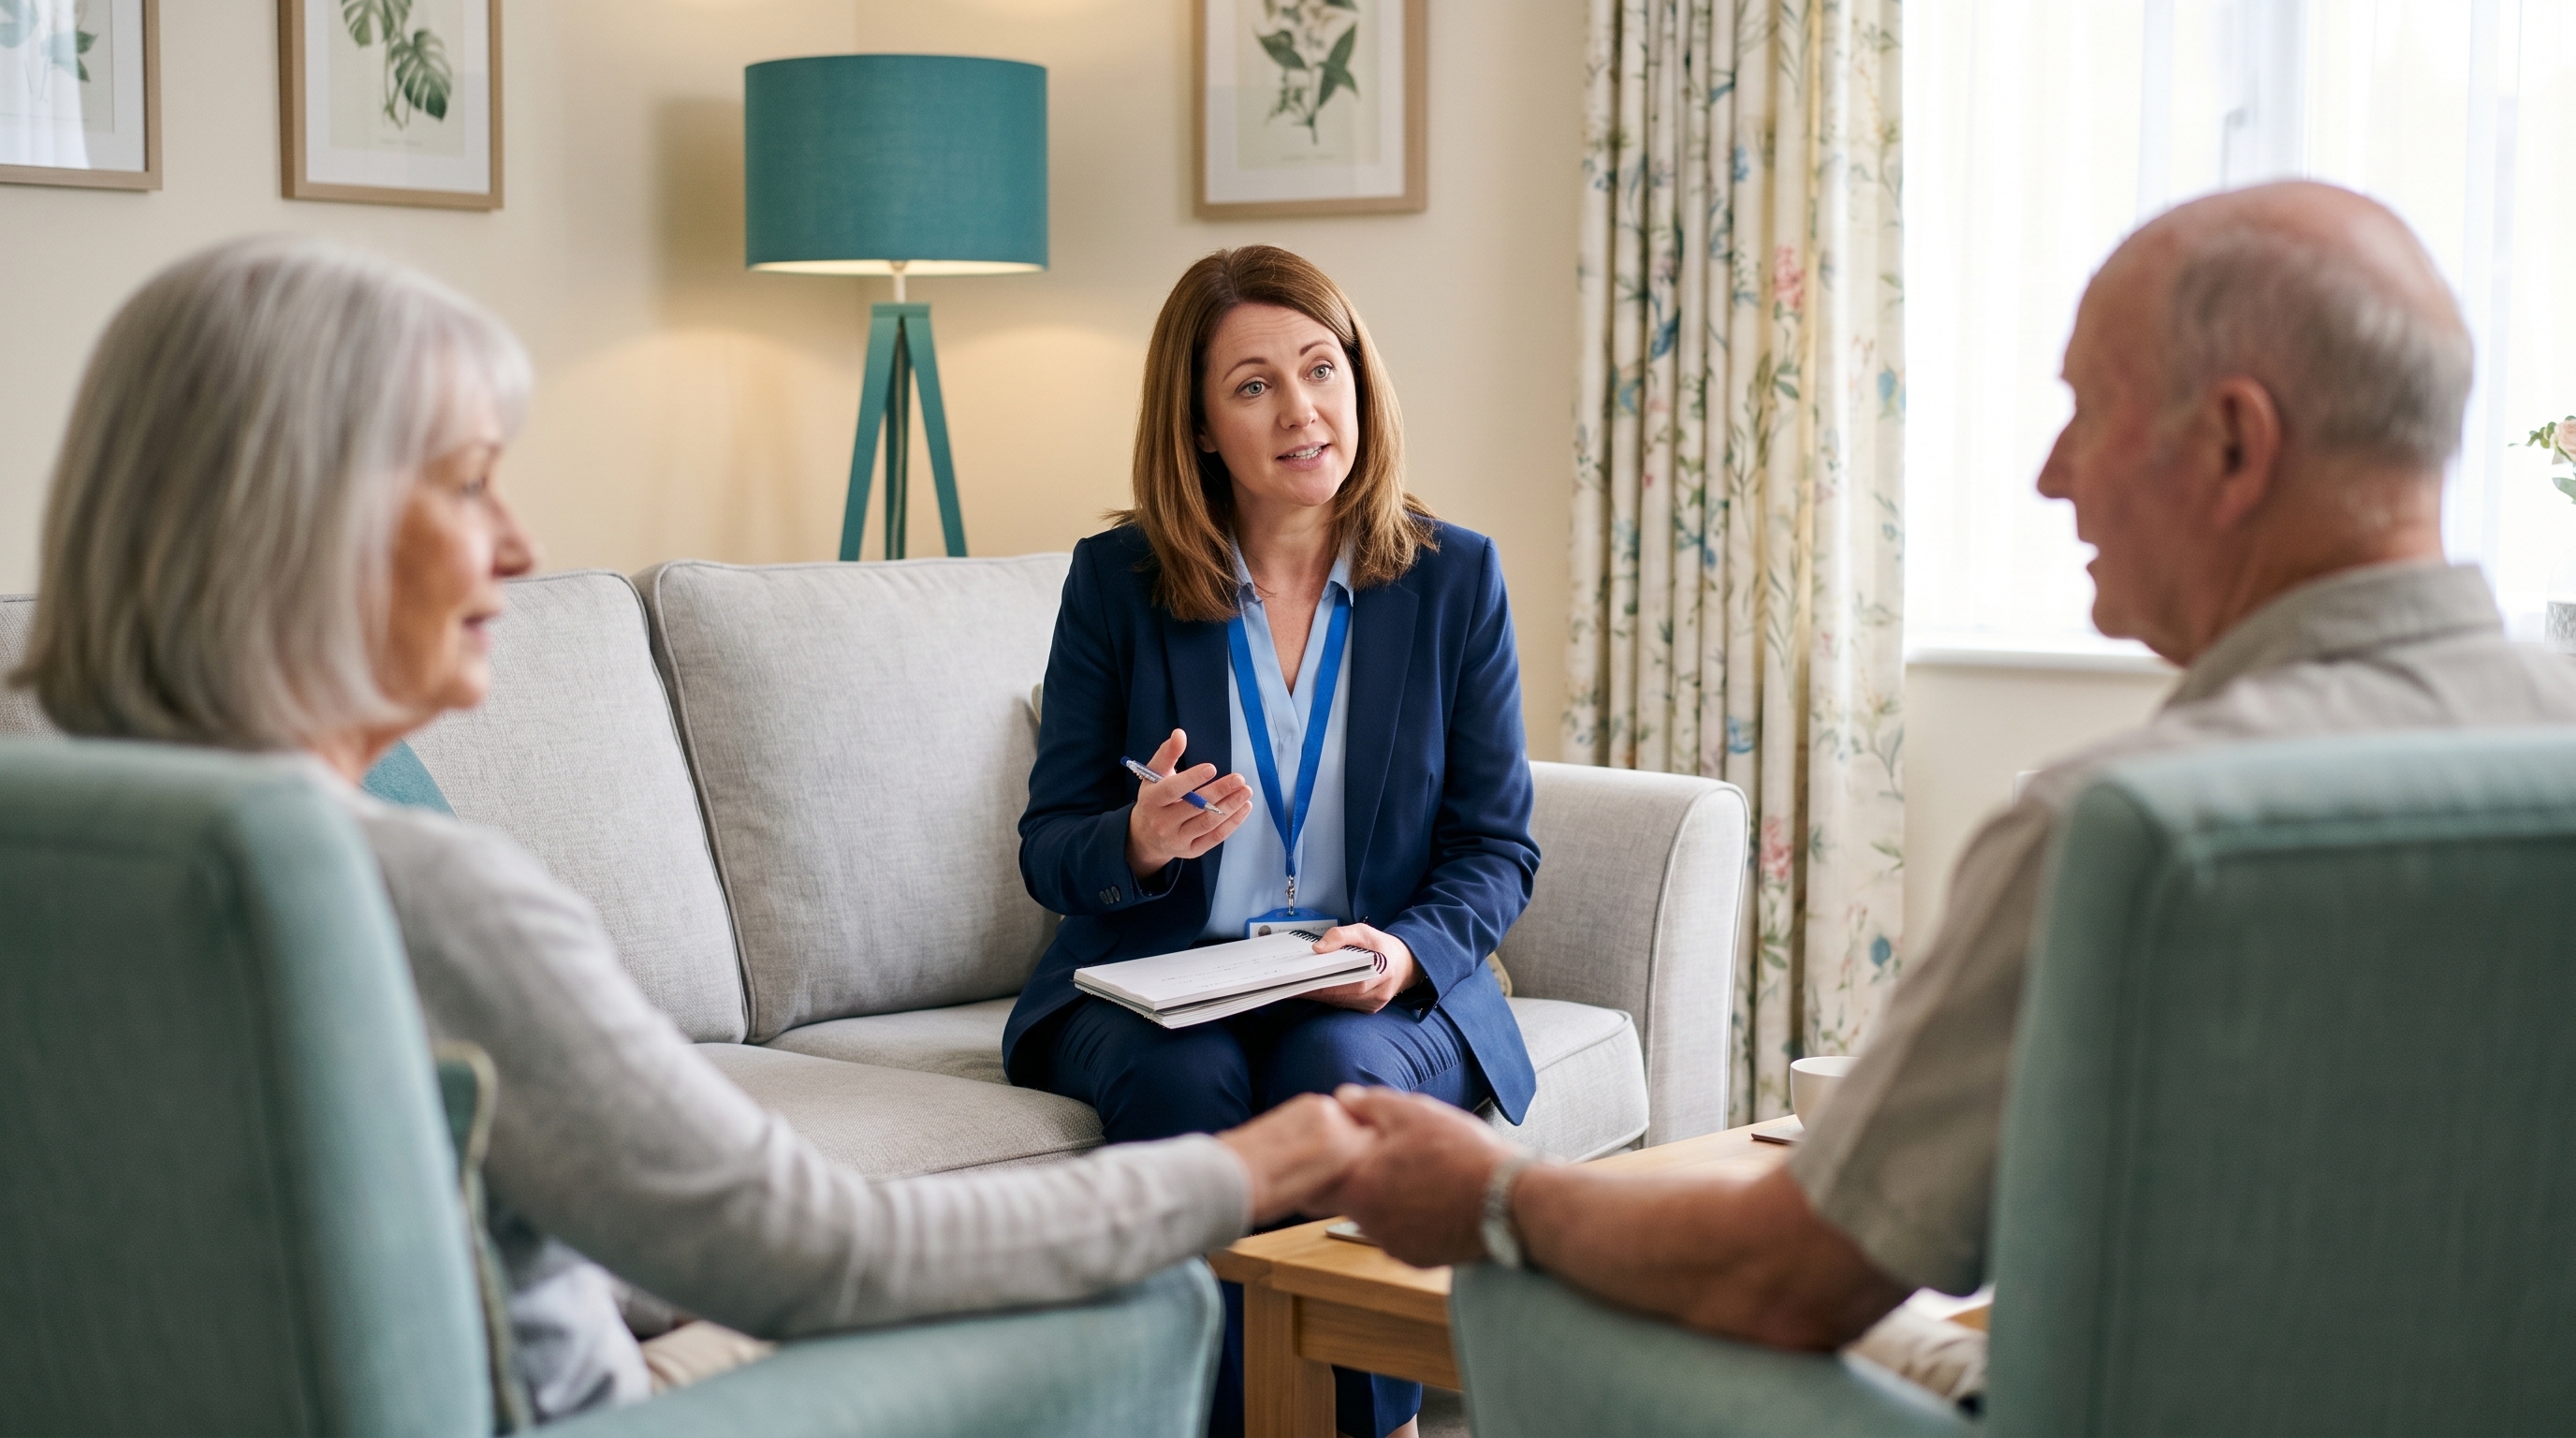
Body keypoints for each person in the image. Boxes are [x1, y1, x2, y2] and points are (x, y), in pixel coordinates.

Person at [7, 234, 1369, 1424]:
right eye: (469, 482)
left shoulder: (60, 829)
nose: (521, 544)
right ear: (297, 524)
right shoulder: (416, 893)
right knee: (1124, 1313)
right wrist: (1246, 1170)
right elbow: (816, 1250)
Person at [1320, 178, 2576, 1406]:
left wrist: (1497, 1194)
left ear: (2237, 443)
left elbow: (1792, 1277)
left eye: (2087, 410)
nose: (2051, 473)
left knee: (1524, 1277)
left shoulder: (2123, 832)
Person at [1004, 244, 1540, 1438]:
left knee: (1329, 1077)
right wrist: (1137, 843)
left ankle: (1375, 1426)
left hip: (1368, 985)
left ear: (1358, 379)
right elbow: (1050, 844)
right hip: (1160, 985)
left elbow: (1496, 845)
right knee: (1187, 1085)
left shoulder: (1454, 579)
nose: (1302, 411)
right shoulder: (1116, 581)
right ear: (1197, 424)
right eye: (1253, 386)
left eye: (1320, 369)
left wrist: (1399, 956)